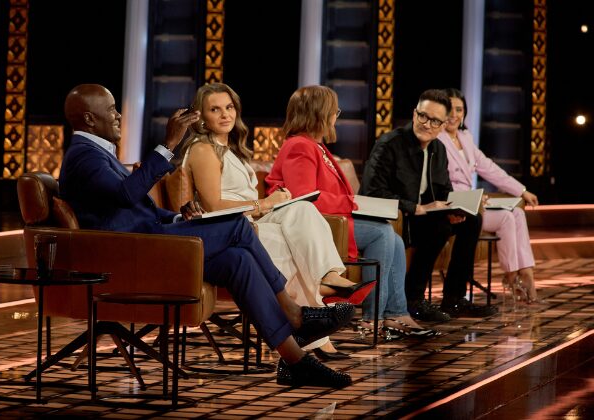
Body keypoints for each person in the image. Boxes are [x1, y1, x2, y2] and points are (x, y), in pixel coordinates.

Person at [58, 84, 354, 387]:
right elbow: (126, 194)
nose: (119, 115)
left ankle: (295, 361)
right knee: (238, 226)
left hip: (149, 241)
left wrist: (176, 216)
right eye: (111, 109)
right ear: (90, 119)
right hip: (135, 255)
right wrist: (169, 143)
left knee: (237, 259)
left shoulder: (93, 154)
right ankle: (294, 314)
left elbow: (131, 205)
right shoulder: (84, 156)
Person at [179, 83, 376, 359]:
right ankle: (315, 332)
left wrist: (275, 203)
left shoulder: (230, 148)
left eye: (229, 107)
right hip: (229, 230)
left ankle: (328, 276)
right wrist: (266, 203)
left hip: (251, 220)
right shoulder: (203, 149)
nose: (225, 115)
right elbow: (214, 205)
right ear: (201, 115)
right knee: (290, 248)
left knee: (303, 209)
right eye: (215, 109)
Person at [266, 85, 436, 339]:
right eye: (334, 111)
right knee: (382, 233)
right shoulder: (299, 146)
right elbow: (304, 198)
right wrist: (351, 202)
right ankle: (373, 319)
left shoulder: (316, 146)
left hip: (332, 220)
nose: (337, 116)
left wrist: (353, 203)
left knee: (395, 240)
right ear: (320, 113)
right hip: (317, 227)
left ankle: (395, 313)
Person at [360, 88, 499, 320]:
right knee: (438, 228)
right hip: (395, 215)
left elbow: (442, 189)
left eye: (435, 120)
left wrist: (453, 209)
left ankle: (454, 298)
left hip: (423, 214)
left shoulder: (438, 149)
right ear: (415, 114)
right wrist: (415, 208)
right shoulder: (389, 144)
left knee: (472, 220)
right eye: (423, 116)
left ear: (443, 125)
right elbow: (372, 192)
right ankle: (413, 298)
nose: (426, 124)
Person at [439, 88, 540, 303]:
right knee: (505, 217)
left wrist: (522, 191)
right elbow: (440, 183)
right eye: (449, 109)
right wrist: (473, 199)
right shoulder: (437, 139)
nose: (454, 115)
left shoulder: (465, 138)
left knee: (518, 213)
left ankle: (526, 273)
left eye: (459, 109)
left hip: (473, 204)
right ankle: (511, 276)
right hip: (453, 205)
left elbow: (489, 168)